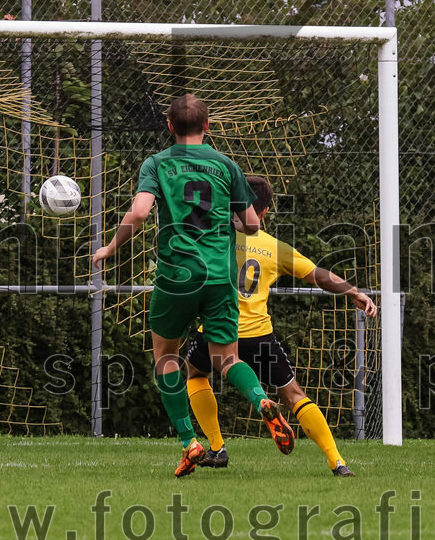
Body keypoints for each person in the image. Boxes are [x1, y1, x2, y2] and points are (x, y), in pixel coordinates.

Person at [93, 94, 294, 478]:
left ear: (169, 127)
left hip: (177, 276)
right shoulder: (226, 165)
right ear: (207, 126)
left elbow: (138, 212)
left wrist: (110, 247)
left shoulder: (157, 163)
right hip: (220, 277)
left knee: (167, 357)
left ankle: (190, 442)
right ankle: (261, 400)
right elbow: (252, 224)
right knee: (227, 358)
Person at [184, 176, 378, 477]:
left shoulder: (213, 237)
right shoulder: (276, 248)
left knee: (194, 373)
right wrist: (353, 291)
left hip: (218, 332)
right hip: (260, 336)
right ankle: (337, 461)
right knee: (294, 395)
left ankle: (217, 447)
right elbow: (319, 276)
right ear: (265, 211)